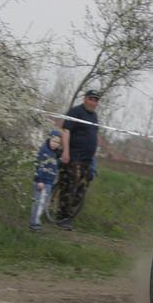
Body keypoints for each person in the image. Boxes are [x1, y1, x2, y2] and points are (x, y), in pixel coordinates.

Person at [57, 89, 101, 230]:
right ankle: (62, 218)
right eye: (90, 99)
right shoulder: (75, 112)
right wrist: (66, 152)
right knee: (69, 188)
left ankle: (68, 216)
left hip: (87, 161)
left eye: (95, 100)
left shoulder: (94, 117)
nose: (93, 102)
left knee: (80, 191)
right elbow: (66, 131)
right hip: (73, 158)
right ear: (85, 99)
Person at [29, 131, 62, 232]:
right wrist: (40, 180)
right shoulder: (44, 151)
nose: (55, 144)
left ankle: (36, 221)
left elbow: (56, 166)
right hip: (42, 182)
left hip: (49, 182)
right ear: (49, 139)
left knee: (43, 203)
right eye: (53, 141)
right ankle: (34, 223)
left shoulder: (55, 153)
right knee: (39, 202)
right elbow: (39, 166)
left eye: (57, 142)